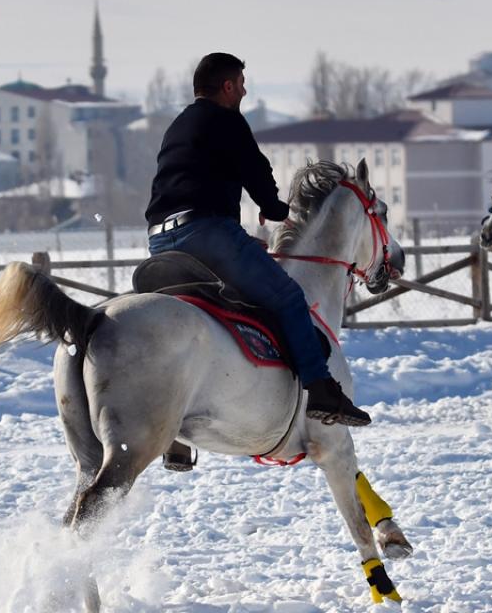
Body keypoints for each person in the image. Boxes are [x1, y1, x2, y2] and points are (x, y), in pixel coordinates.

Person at [144, 52, 371, 426]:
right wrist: (275, 208)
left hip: (159, 241)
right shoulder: (226, 119)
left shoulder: (178, 125)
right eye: (241, 84)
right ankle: (321, 389)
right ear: (228, 86)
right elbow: (255, 169)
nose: (244, 92)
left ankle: (178, 436)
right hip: (205, 234)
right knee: (288, 298)